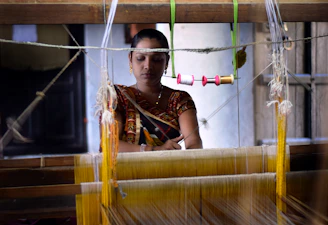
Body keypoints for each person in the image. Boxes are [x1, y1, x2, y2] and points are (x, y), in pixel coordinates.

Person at [112, 28, 202, 152]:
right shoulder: (118, 97)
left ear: (166, 62)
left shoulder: (179, 100)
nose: (148, 66)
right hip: (128, 170)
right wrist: (153, 150)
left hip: (170, 169)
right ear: (130, 59)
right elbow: (111, 145)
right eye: (140, 58)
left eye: (156, 59)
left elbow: (194, 144)